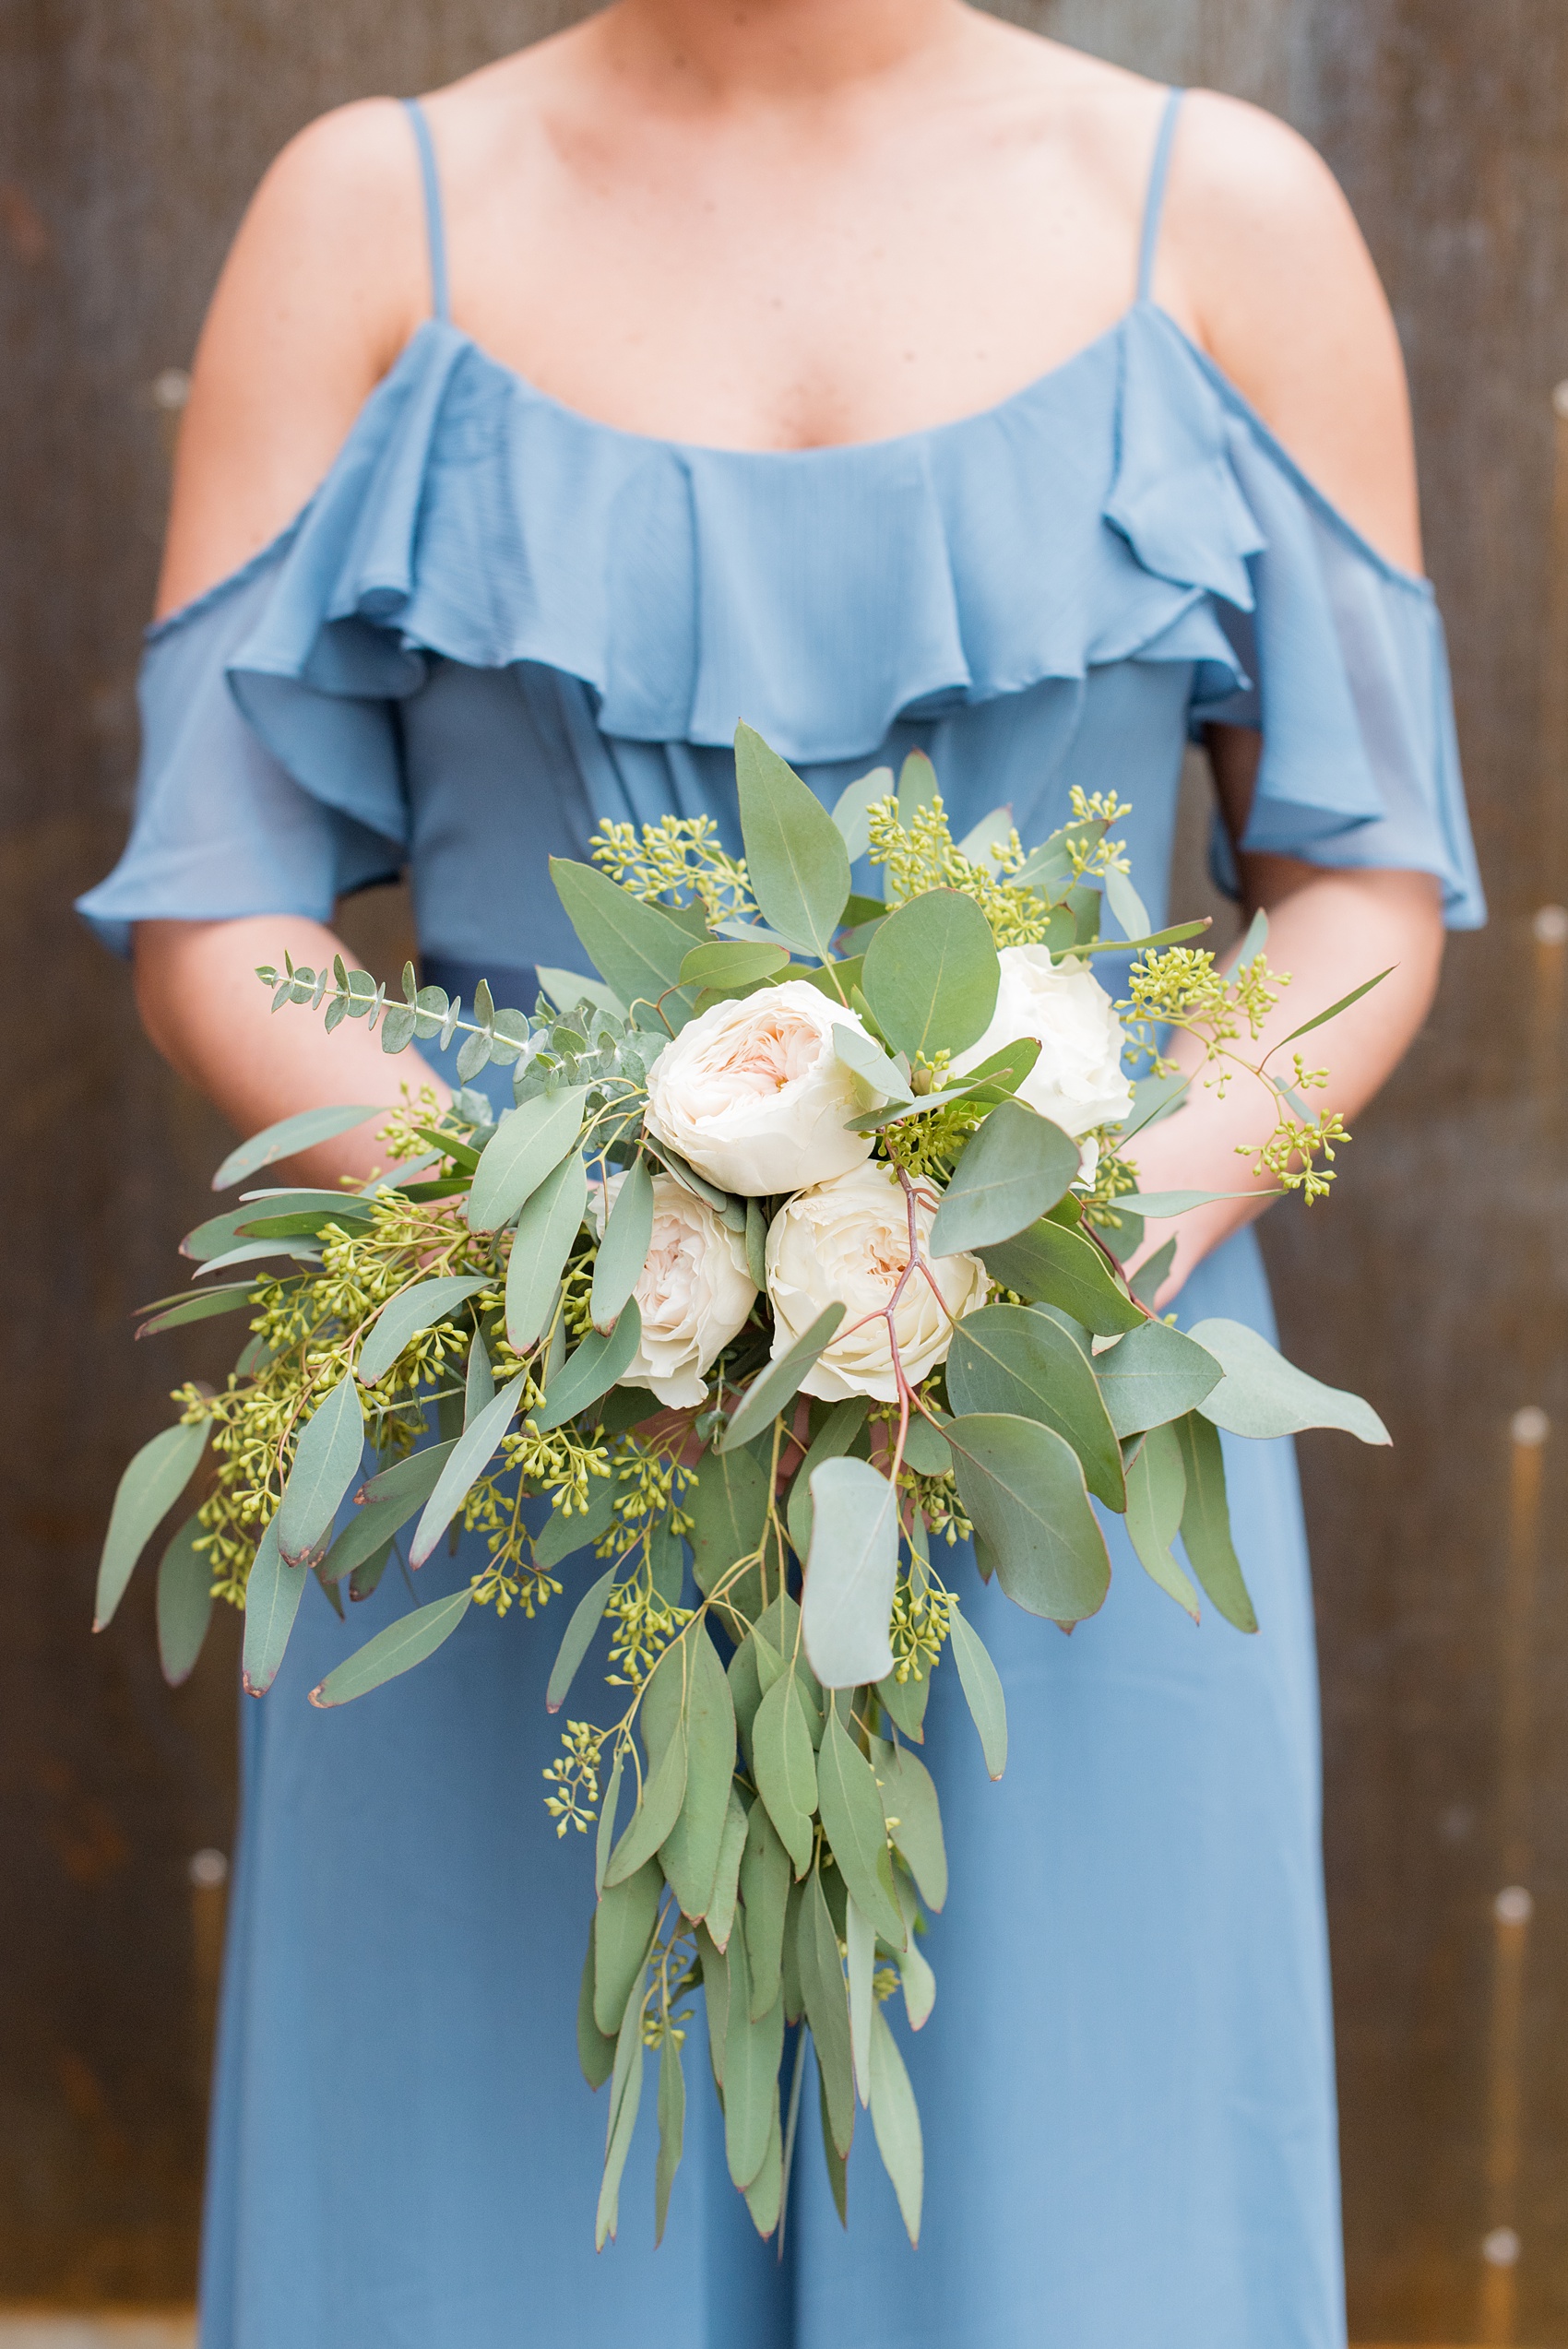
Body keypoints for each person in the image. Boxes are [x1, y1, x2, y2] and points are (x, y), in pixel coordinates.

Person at [77, 6, 1483, 2344]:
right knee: (487, 2256)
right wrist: (558, 1240)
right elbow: (218, 909)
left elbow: (1362, 885)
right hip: (511, 1435)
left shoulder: (1220, 219)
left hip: (1060, 1448)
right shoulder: (367, 215)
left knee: (1081, 2259)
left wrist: (1088, 1218)